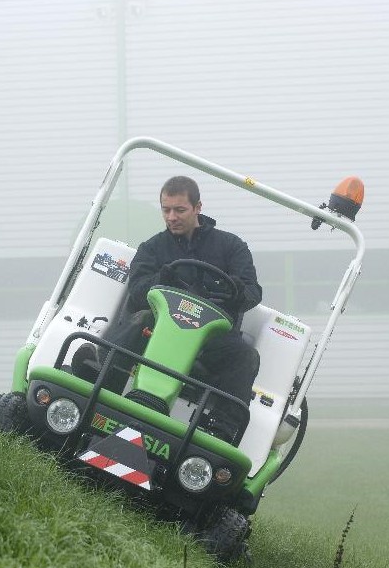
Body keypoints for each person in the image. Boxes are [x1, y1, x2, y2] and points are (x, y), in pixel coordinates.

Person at [74, 175, 262, 441]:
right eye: (166, 210)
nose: (172, 217)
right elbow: (137, 290)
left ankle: (222, 431)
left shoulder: (231, 247)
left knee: (245, 355)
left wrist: (236, 292)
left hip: (210, 341)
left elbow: (253, 292)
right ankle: (100, 380)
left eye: (180, 210)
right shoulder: (153, 248)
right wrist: (160, 281)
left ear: (198, 207)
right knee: (140, 319)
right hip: (159, 330)